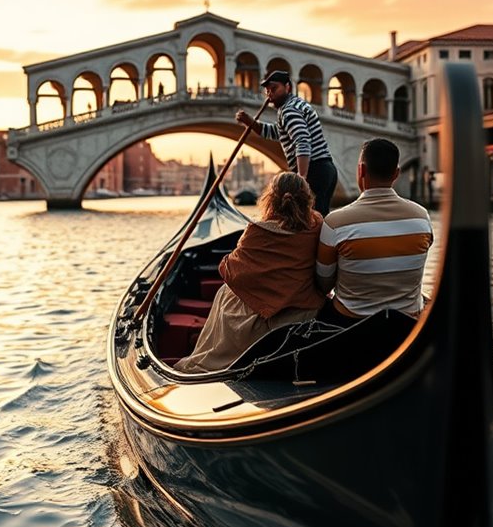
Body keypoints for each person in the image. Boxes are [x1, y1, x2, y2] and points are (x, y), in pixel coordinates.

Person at [174, 172, 325, 373]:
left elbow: (230, 270)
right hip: (302, 313)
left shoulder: (257, 230)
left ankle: (213, 359)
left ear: (271, 199)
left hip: (259, 323)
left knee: (224, 292)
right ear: (308, 200)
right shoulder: (318, 226)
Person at [316, 138, 434, 327]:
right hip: (407, 325)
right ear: (396, 174)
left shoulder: (335, 223)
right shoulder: (422, 218)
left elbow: (323, 284)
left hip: (350, 324)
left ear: (361, 170)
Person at [236, 70, 338, 216]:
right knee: (316, 218)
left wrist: (301, 179)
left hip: (314, 170)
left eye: (274, 89)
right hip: (324, 169)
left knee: (308, 220)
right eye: (268, 90)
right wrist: (250, 122)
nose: (270, 94)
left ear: (287, 87)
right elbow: (275, 133)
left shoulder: (289, 110)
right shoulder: (294, 106)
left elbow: (302, 141)